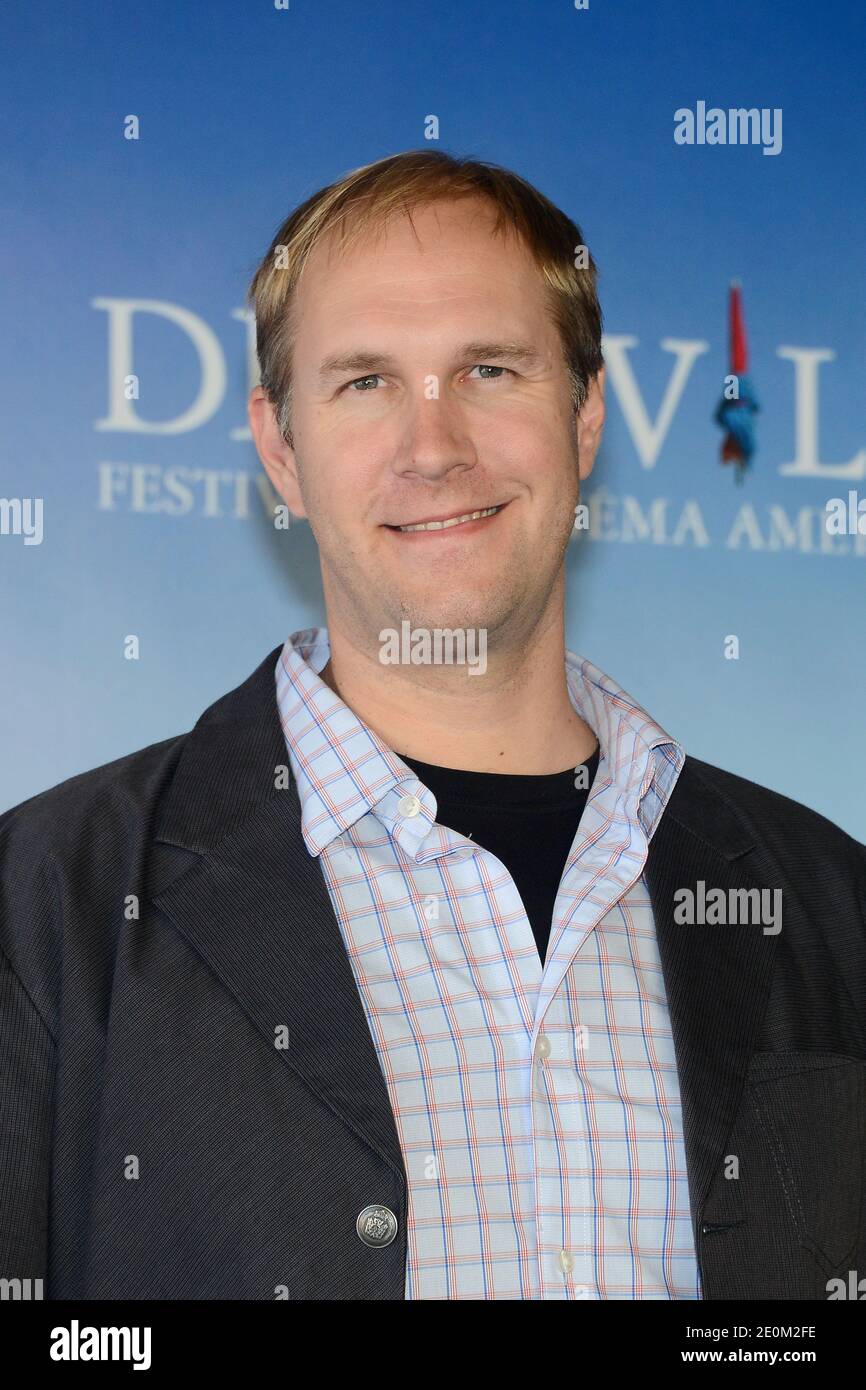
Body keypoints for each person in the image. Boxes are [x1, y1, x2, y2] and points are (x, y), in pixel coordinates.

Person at [1, 150, 864, 1302]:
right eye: (363, 382)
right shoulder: (45, 903)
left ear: (586, 416)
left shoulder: (828, 899)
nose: (434, 445)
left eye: (490, 369)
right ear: (279, 448)